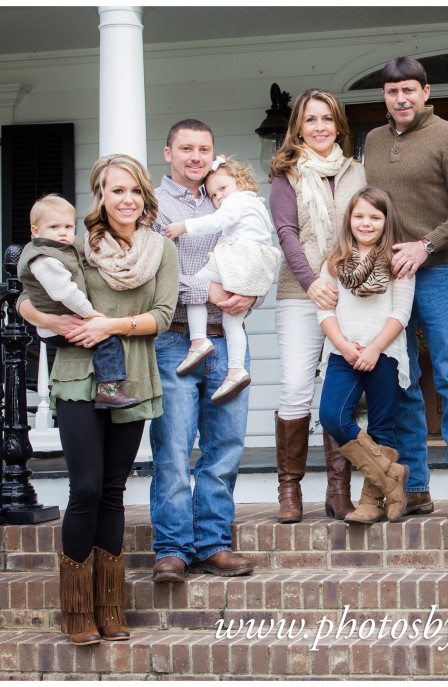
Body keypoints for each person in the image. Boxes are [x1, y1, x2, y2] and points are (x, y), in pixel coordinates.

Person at [17, 154, 178, 645]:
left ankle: (110, 605)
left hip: (131, 374)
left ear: (144, 195)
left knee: (112, 490)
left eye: (134, 191)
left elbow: (164, 315)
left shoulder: (161, 249)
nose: (126, 200)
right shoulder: (76, 244)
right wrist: (46, 320)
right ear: (101, 196)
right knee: (84, 487)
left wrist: (110, 324)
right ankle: (76, 607)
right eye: (116, 191)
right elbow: (30, 295)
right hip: (78, 374)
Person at [363, 56, 448, 520]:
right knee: (403, 380)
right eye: (393, 92)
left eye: (410, 90)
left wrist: (426, 246)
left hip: (439, 274)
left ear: (425, 92)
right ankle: (415, 486)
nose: (402, 99)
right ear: (385, 98)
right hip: (389, 280)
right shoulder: (372, 141)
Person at [150, 119, 257, 583]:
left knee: (225, 445)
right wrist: (204, 294)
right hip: (175, 336)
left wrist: (252, 294)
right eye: (186, 148)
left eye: (204, 149)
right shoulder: (152, 204)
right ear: (169, 152)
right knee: (173, 447)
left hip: (228, 340)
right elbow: (147, 269)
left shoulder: (229, 196)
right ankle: (172, 548)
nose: (195, 156)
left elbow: (257, 252)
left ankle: (213, 543)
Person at [269, 89, 367, 523]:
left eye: (327, 118)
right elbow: (287, 232)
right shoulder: (284, 174)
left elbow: (366, 229)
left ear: (338, 125)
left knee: (339, 394)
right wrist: (311, 284)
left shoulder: (356, 172)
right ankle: (289, 491)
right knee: (295, 387)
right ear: (298, 127)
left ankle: (338, 491)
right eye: (311, 120)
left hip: (350, 294)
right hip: (299, 293)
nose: (320, 127)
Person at [317, 187, 414, 523]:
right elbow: (324, 312)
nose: (366, 223)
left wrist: (374, 349)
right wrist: (344, 345)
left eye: (375, 216)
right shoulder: (334, 261)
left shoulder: (398, 262)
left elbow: (401, 314)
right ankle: (391, 479)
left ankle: (371, 503)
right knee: (332, 415)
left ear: (386, 221)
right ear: (349, 219)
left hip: (383, 353)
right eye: (359, 215)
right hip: (342, 351)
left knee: (383, 426)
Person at [165, 155, 281, 404]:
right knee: (233, 320)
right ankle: (236, 370)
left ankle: (198, 341)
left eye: (222, 189)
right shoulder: (258, 205)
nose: (219, 198)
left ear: (240, 182)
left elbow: (219, 221)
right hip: (256, 263)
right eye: (214, 195)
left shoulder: (237, 201)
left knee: (197, 286)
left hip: (237, 254)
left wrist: (184, 226)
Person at [18, 193, 139, 410]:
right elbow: (65, 293)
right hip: (57, 327)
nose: (63, 232)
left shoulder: (60, 249)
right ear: (35, 231)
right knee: (106, 338)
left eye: (68, 226)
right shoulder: (45, 259)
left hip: (60, 324)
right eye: (54, 227)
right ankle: (108, 390)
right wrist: (91, 314)